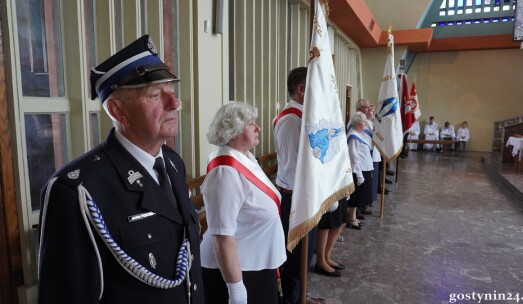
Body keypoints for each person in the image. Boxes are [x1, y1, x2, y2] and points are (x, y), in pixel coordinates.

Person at [37, 35, 204, 303]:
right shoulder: (76, 192)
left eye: (172, 91)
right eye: (155, 95)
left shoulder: (172, 163)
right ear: (118, 111)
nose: (174, 104)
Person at [201, 102, 286, 304]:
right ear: (233, 130)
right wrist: (236, 290)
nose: (258, 127)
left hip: (254, 265)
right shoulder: (225, 171)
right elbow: (222, 237)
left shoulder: (245, 157)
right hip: (236, 273)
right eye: (250, 123)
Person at [273, 67, 320, 304]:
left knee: (305, 255)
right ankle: (292, 300)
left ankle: (300, 296)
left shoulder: (302, 116)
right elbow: (291, 170)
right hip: (295, 199)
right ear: (301, 89)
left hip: (305, 197)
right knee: (295, 260)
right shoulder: (292, 119)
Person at [346, 111, 373, 230]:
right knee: (355, 196)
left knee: (359, 196)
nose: (365, 124)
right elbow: (353, 157)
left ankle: (354, 217)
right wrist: (359, 174)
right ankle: (351, 219)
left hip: (363, 169)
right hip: (358, 171)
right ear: (357, 123)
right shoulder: (353, 136)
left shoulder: (358, 134)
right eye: (363, 121)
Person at [314, 198, 348, 277]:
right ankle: (321, 261)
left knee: (342, 220)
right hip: (328, 188)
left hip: (338, 186)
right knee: (326, 223)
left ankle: (326, 256)